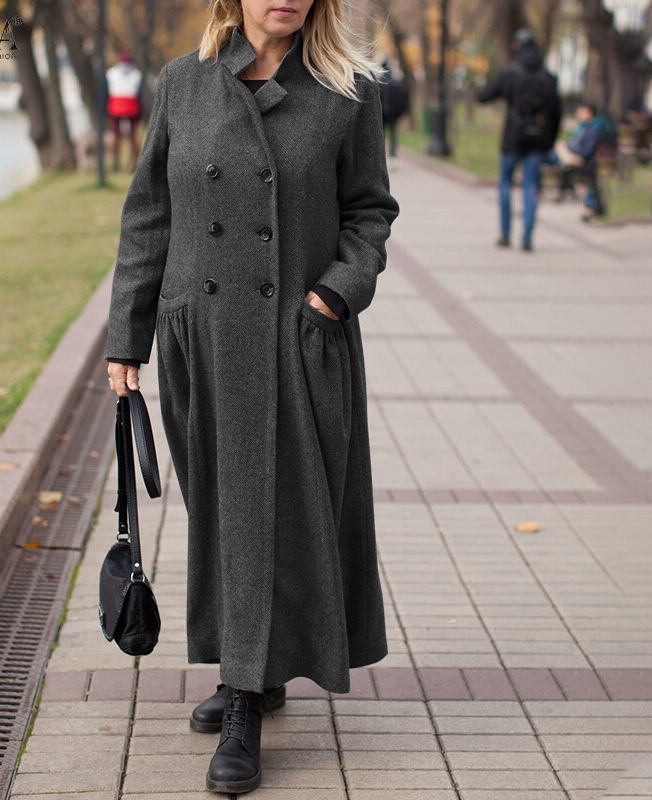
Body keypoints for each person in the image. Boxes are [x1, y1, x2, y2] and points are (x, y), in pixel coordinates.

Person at [104, 0, 399, 794]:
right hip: (201, 339)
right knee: (225, 511)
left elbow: (369, 211)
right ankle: (255, 669)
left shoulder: (347, 91)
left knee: (271, 513)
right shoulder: (183, 83)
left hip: (296, 340)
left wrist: (336, 292)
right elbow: (149, 215)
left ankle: (243, 696)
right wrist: (127, 337)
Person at [477, 28, 562, 251]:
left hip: (513, 137)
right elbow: (557, 114)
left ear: (517, 46)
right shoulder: (548, 77)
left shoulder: (511, 73)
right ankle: (527, 236)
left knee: (505, 183)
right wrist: (550, 142)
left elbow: (485, 95)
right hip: (538, 139)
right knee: (530, 186)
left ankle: (505, 234)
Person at [549, 100, 605, 220]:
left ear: (590, 113)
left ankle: (564, 185)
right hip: (578, 158)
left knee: (558, 153)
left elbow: (586, 151)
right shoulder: (583, 127)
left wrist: (570, 149)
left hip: (584, 161)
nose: (579, 113)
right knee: (558, 150)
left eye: (582, 111)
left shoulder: (593, 129)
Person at [105, 52, 143, 171]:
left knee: (117, 135)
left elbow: (107, 92)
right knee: (132, 136)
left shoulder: (111, 73)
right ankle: (134, 162)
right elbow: (139, 94)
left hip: (116, 106)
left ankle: (115, 162)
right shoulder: (136, 74)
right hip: (131, 106)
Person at [378, 58, 410, 161]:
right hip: (392, 113)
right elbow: (401, 97)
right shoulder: (395, 82)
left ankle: (380, 154)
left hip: (382, 113)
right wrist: (398, 112)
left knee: (381, 134)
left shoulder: (379, 82)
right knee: (393, 134)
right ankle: (392, 154)